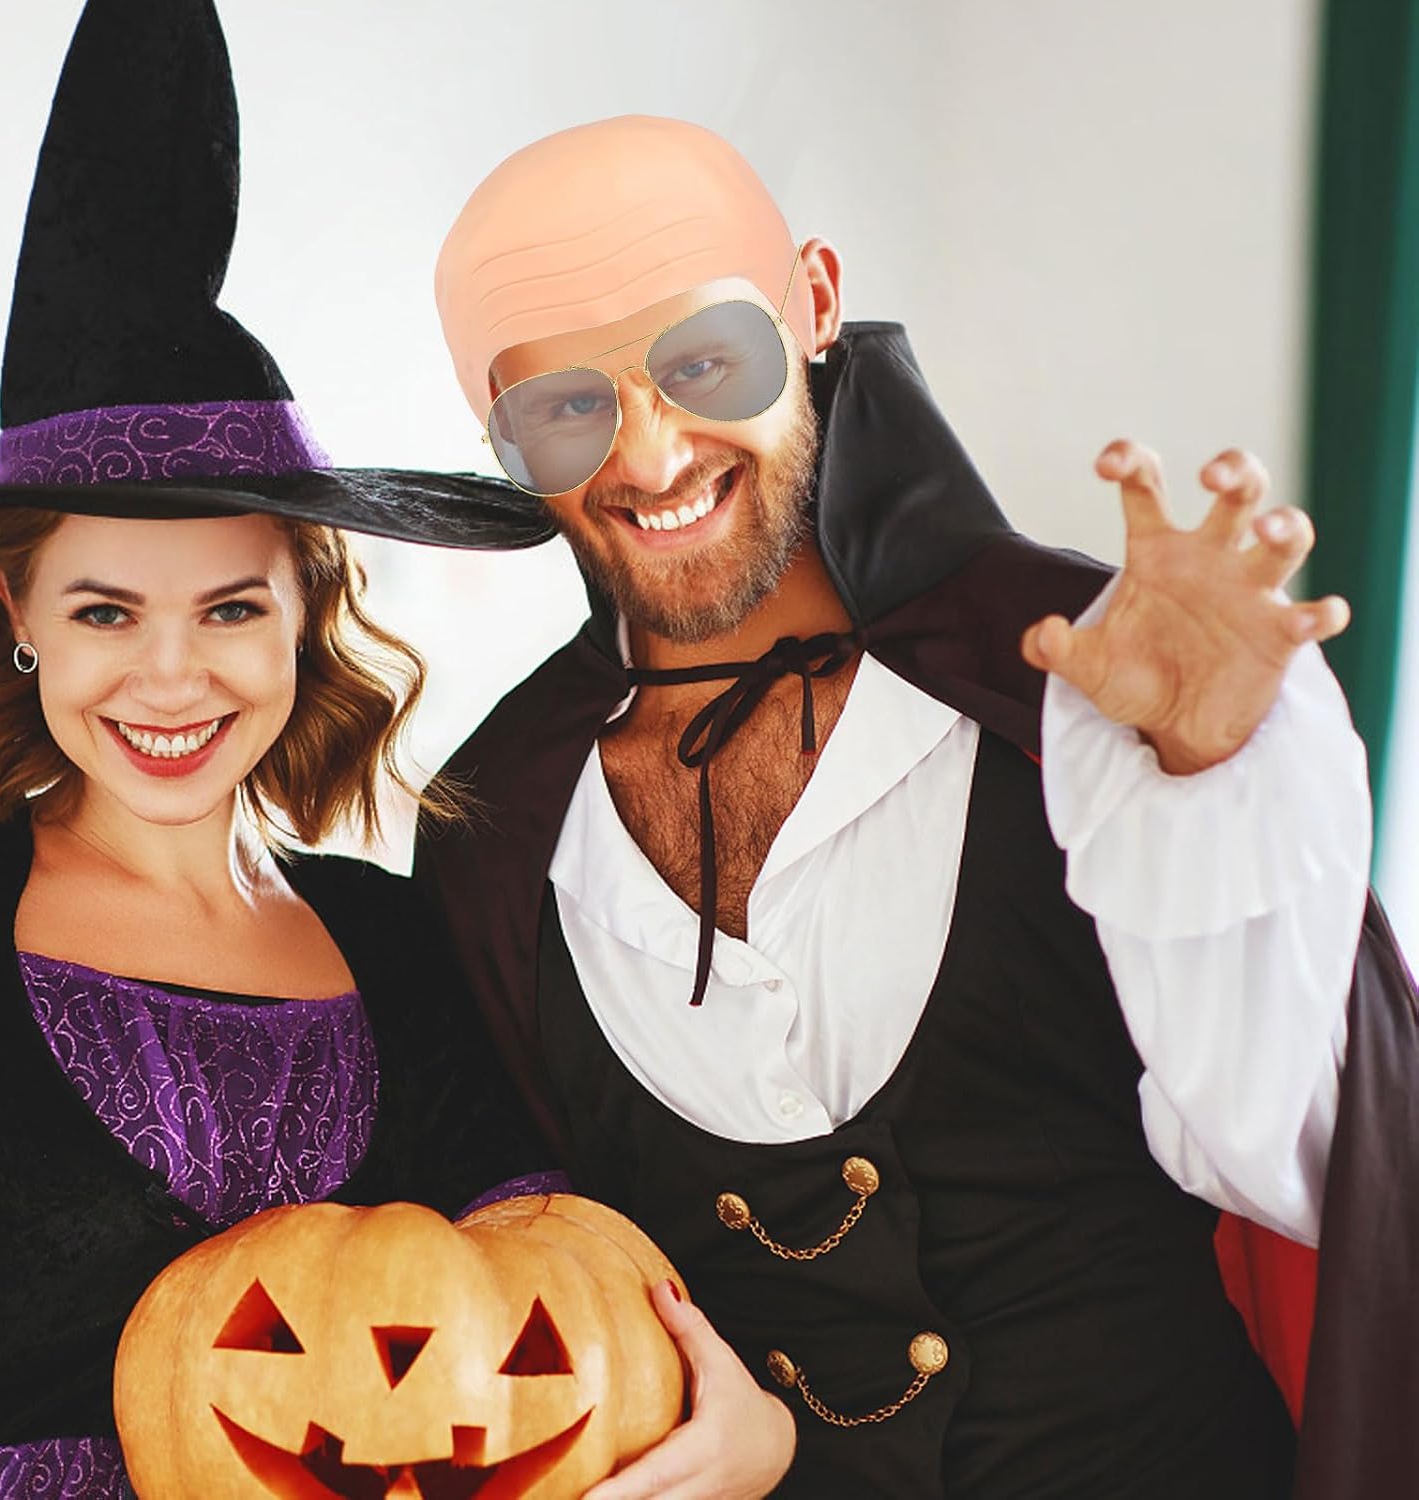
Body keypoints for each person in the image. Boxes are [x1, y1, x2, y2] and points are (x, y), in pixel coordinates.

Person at [415, 114, 1419, 1498]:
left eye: (705, 362)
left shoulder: (1077, 688)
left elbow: (1310, 1170)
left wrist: (1211, 778)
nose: (648, 457)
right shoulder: (494, 827)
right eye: (565, 408)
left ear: (815, 304)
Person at [0, 3, 561, 1493]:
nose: (171, 676)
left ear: (305, 612)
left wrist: (729, 1414)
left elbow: (543, 1294)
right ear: (18, 610)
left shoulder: (395, 940)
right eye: (105, 609)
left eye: (229, 608)